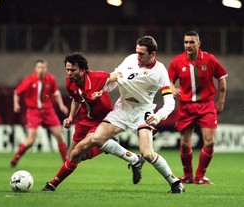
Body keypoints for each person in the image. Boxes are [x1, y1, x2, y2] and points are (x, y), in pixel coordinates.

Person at [75, 36, 185, 193]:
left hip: (143, 111)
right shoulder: (131, 59)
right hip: (122, 108)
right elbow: (115, 77)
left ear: (153, 54)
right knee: (97, 138)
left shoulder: (160, 71)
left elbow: (170, 102)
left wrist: (159, 116)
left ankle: (175, 182)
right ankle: (133, 159)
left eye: (142, 54)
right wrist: (102, 90)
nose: (138, 56)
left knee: (147, 153)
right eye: (137, 52)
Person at [42, 52, 119, 191]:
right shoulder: (69, 82)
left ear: (83, 70)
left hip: (102, 119)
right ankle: (106, 146)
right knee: (73, 156)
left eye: (73, 70)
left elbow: (118, 76)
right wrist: (71, 117)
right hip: (84, 118)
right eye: (67, 69)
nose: (69, 73)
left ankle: (52, 184)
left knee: (78, 152)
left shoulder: (97, 77)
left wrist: (104, 90)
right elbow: (76, 100)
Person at [168, 31, 228, 184]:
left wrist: (220, 102)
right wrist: (171, 88)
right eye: (186, 42)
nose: (188, 45)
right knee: (185, 143)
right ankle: (187, 176)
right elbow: (168, 80)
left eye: (191, 42)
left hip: (206, 105)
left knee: (209, 142)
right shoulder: (177, 61)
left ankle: (200, 176)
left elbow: (221, 78)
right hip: (186, 106)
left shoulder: (209, 59)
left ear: (198, 44)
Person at [10, 60, 69, 167]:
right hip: (34, 112)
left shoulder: (50, 79)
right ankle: (15, 159)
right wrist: (16, 104)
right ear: (35, 68)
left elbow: (56, 93)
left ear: (46, 69)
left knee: (59, 135)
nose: (41, 69)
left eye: (43, 67)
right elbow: (16, 93)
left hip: (48, 111)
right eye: (39, 67)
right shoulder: (29, 80)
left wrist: (61, 105)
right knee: (31, 139)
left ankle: (66, 162)